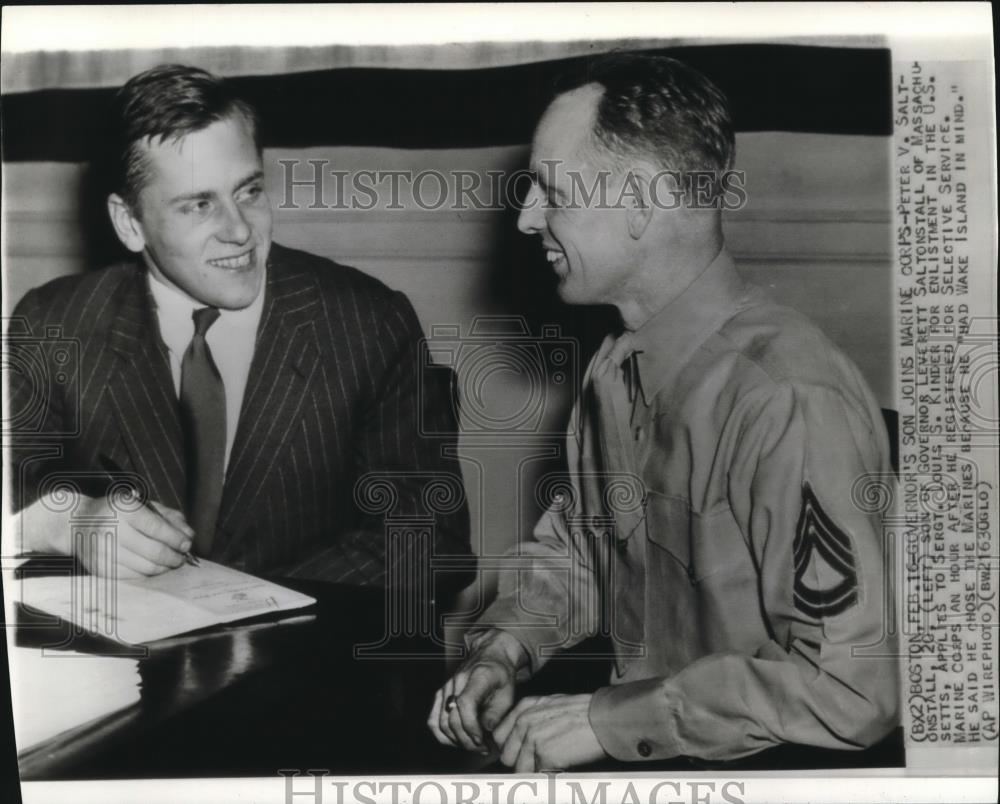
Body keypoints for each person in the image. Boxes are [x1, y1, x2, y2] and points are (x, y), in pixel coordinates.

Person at [429, 54, 899, 771]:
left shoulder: (786, 400)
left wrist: (608, 720)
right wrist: (504, 650)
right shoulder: (615, 371)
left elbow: (851, 688)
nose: (527, 219)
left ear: (642, 203)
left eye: (551, 191)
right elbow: (584, 554)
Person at [8, 65, 470, 590]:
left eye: (249, 191)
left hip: (305, 662)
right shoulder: (54, 323)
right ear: (129, 223)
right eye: (200, 205)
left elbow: (432, 539)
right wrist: (68, 523)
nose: (240, 230)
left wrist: (248, 605)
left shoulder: (368, 323)